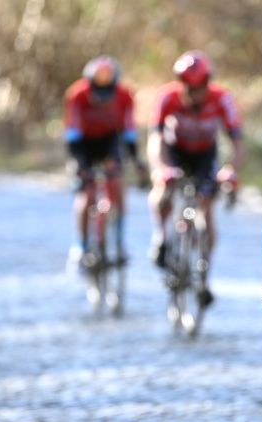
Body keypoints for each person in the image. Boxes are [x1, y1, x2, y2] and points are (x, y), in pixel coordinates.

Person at [147, 50, 243, 305]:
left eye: (200, 87)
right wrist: (161, 169)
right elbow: (155, 139)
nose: (195, 93)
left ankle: (203, 276)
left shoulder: (222, 98)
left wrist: (231, 169)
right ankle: (161, 238)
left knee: (206, 209)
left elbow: (237, 142)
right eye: (189, 88)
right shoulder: (167, 97)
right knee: (162, 192)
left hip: (204, 156)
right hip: (174, 150)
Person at [63, 55, 147, 269]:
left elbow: (129, 130)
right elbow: (72, 133)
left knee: (116, 184)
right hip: (84, 143)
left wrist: (135, 160)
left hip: (110, 141)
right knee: (87, 193)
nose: (101, 99)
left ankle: (119, 241)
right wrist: (80, 164)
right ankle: (81, 244)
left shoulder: (124, 95)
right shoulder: (77, 94)